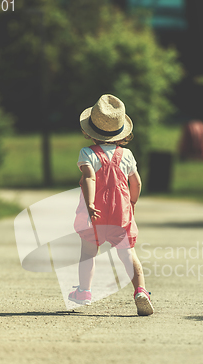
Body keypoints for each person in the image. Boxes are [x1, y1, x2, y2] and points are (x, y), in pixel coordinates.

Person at [68, 94, 154, 316]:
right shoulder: (126, 155)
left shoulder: (87, 153)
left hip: (94, 216)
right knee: (128, 254)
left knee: (88, 253)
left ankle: (84, 291)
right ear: (121, 132)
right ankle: (140, 291)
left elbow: (89, 178)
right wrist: (132, 201)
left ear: (89, 131)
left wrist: (90, 203)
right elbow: (136, 182)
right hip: (120, 214)